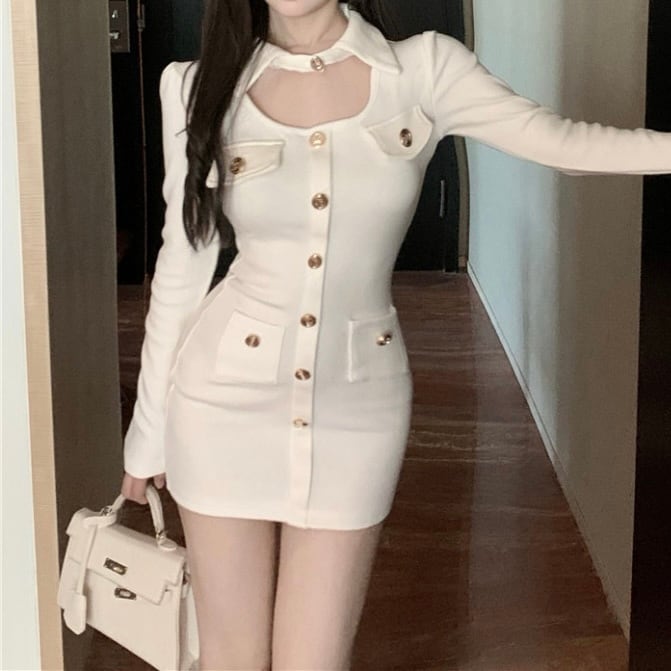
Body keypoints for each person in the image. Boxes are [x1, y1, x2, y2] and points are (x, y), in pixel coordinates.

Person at [120, 1, 671, 669]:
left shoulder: (423, 70)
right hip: (218, 404)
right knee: (230, 655)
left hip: (359, 408)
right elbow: (183, 262)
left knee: (312, 660)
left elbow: (566, 146)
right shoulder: (194, 85)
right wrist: (147, 435)